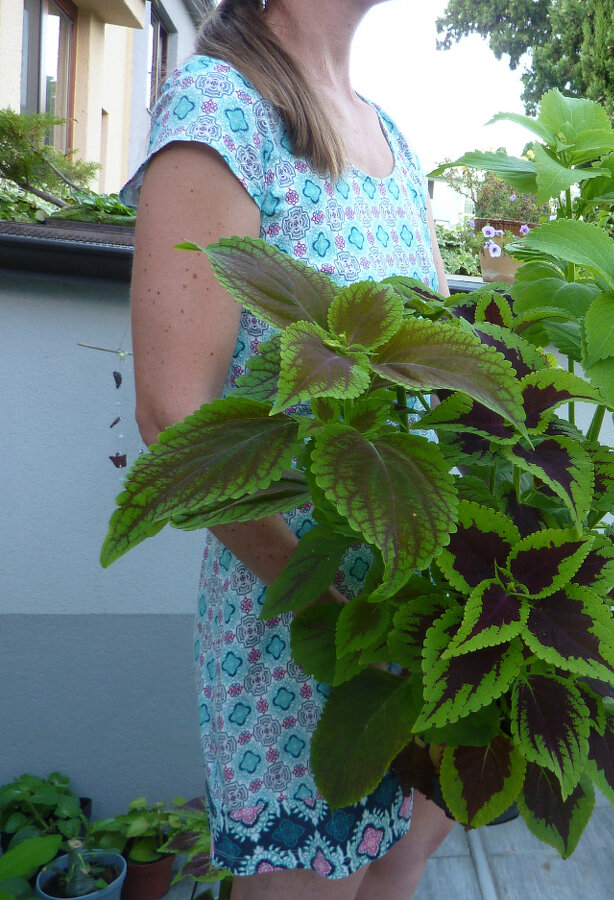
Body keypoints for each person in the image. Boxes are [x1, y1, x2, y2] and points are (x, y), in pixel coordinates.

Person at [119, 0, 455, 896]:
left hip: (413, 617)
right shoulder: (220, 108)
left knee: (401, 864)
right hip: (300, 627)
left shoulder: (390, 136)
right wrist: (334, 606)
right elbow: (174, 415)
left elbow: (442, 366)